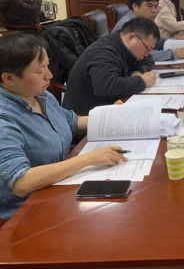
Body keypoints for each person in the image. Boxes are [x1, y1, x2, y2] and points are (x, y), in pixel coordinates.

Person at [0, 33, 127, 220]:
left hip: (57, 189)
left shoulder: (39, 95)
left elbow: (69, 122)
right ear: (9, 78)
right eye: (39, 71)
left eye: (47, 66)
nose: (49, 75)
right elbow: (20, 182)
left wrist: (110, 115)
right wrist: (89, 158)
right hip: (24, 213)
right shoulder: (4, 119)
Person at [63, 17, 158, 116]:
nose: (147, 54)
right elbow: (107, 86)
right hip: (83, 117)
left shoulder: (122, 45)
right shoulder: (104, 52)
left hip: (108, 106)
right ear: (131, 38)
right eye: (147, 49)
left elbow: (148, 59)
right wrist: (142, 82)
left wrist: (137, 72)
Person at [111, 0, 184, 61]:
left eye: (156, 6)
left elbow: (155, 41)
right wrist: (174, 53)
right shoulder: (128, 25)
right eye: (149, 6)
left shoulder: (143, 21)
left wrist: (175, 40)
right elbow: (143, 54)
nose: (154, 11)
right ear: (135, 6)